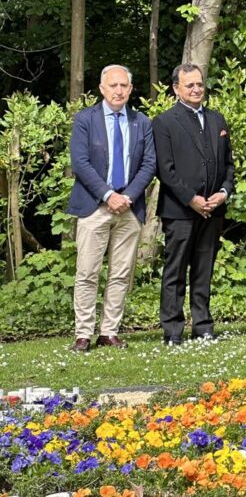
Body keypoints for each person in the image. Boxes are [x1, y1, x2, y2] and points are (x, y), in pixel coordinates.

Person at [65, 65, 156, 352]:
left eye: (123, 86)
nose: (118, 90)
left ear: (131, 89)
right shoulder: (85, 119)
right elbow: (80, 163)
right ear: (102, 89)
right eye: (113, 85)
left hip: (128, 207)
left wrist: (127, 196)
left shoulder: (142, 122)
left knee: (120, 274)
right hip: (94, 207)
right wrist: (107, 195)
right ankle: (83, 333)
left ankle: (109, 332)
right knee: (87, 272)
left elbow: (149, 164)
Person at [153, 64, 235, 345]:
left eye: (200, 84)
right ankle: (173, 329)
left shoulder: (217, 119)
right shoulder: (165, 122)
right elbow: (165, 169)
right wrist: (191, 199)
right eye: (190, 85)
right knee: (175, 270)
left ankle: (203, 325)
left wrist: (224, 192)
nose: (197, 89)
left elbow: (228, 164)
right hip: (180, 210)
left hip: (213, 209)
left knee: (204, 269)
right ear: (176, 88)